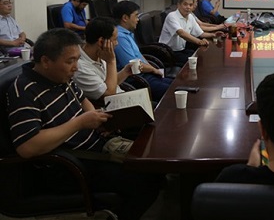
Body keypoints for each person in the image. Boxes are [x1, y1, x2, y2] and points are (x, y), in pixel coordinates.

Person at [6, 28, 162, 220]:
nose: (76, 67)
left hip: (96, 144)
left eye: (77, 60)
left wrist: (98, 119)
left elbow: (82, 100)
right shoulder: (24, 91)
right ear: (46, 61)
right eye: (70, 61)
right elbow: (27, 147)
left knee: (152, 155)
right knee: (146, 181)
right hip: (70, 165)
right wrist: (80, 123)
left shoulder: (60, 77)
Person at [112, 0, 174, 101]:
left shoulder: (128, 33)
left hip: (145, 74)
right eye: (136, 16)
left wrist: (153, 69)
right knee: (173, 91)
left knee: (176, 84)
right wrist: (153, 69)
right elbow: (132, 65)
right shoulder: (120, 37)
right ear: (125, 18)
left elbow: (139, 56)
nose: (138, 20)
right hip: (137, 79)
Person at [72, 16, 133, 103]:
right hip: (113, 106)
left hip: (123, 98)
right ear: (101, 41)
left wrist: (125, 72)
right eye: (115, 39)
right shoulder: (80, 68)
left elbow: (110, 83)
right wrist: (111, 62)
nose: (117, 43)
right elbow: (109, 94)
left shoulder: (101, 53)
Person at [159, 0, 217, 66]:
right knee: (196, 61)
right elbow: (181, 33)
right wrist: (199, 41)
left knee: (201, 55)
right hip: (168, 52)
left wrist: (214, 34)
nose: (188, 7)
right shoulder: (172, 16)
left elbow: (201, 33)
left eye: (190, 5)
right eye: (185, 4)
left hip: (181, 49)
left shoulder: (190, 17)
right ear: (178, 5)